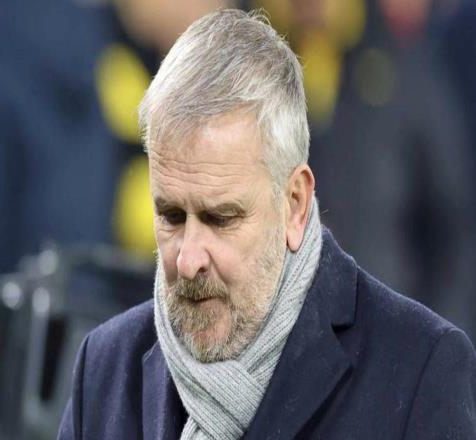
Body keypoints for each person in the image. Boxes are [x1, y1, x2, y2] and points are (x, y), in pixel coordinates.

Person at [58, 9, 476, 439]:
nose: (188, 260)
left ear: (295, 204)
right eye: (171, 216)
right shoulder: (104, 370)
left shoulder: (419, 370)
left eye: (221, 218)